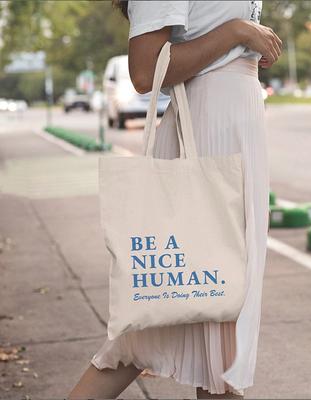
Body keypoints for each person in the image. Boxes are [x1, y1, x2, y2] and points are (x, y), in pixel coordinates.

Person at [69, 1, 282, 399]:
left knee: (182, 320)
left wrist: (244, 37)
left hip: (232, 125)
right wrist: (237, 32)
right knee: (220, 315)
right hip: (209, 135)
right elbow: (145, 71)